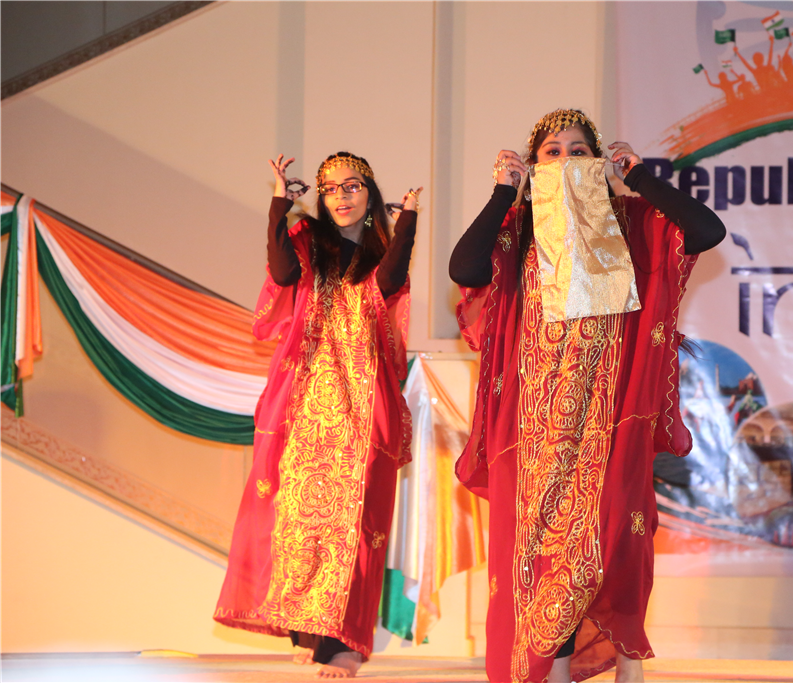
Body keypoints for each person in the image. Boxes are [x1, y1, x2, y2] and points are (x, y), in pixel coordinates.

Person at [449, 110, 726, 683]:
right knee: (540, 549)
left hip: (611, 419)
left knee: (614, 536)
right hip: (532, 425)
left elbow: (706, 231)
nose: (566, 160)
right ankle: (550, 668)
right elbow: (465, 267)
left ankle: (629, 659)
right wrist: (504, 192)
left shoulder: (629, 223)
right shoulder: (519, 231)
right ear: (534, 165)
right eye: (552, 151)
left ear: (598, 163)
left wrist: (638, 177)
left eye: (579, 151)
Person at [214, 151, 420, 679]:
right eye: (330, 188)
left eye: (353, 186)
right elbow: (282, 272)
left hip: (364, 399)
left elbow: (390, 281)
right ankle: (306, 630)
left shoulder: (381, 252)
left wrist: (409, 223)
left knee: (356, 521)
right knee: (299, 512)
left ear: (371, 194)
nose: (341, 196)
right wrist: (278, 206)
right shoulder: (307, 241)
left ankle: (346, 644)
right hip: (305, 396)